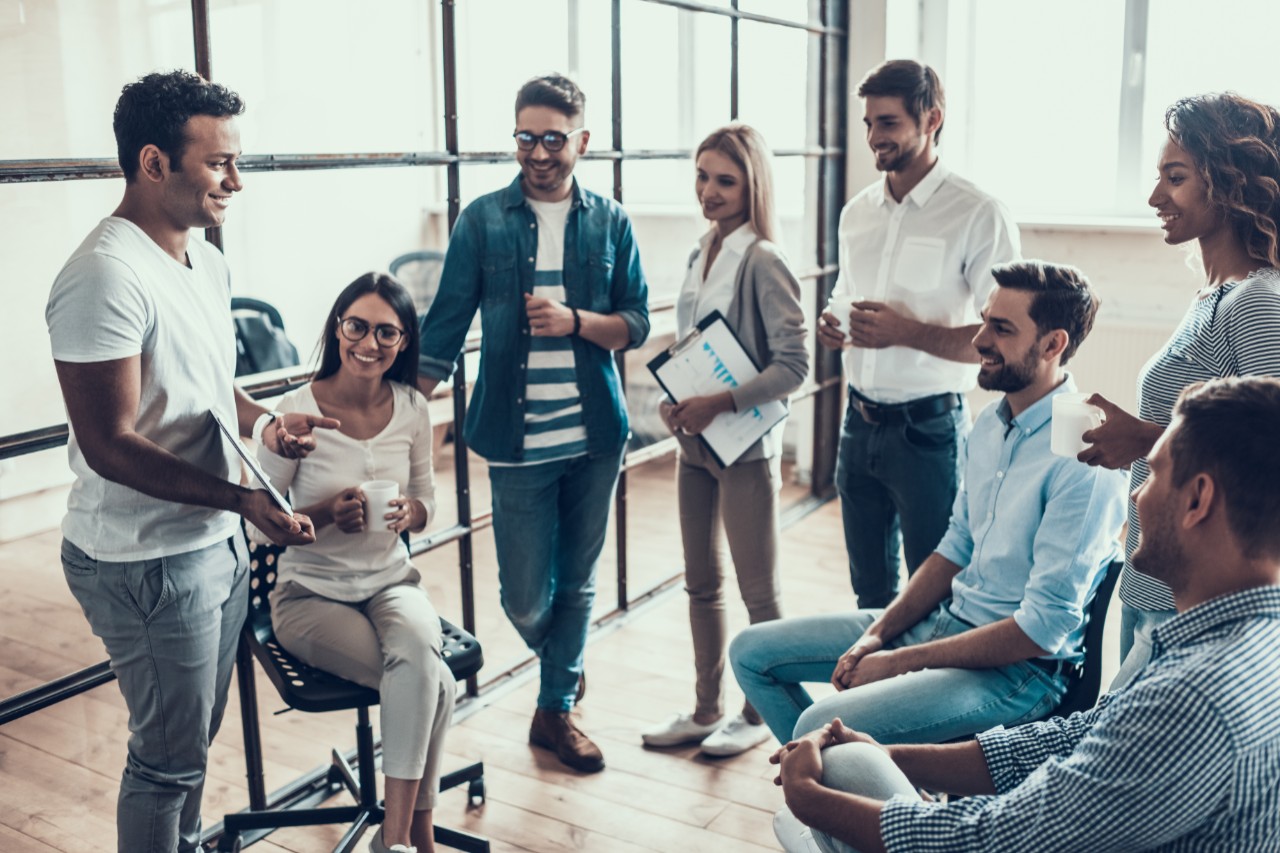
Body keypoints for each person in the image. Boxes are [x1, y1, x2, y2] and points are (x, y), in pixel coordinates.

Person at [772, 376, 1280, 853]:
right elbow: (1081, 736)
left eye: (1154, 473)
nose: (1138, 493)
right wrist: (890, 753)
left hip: (1016, 709)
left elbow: (993, 841)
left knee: (827, 788)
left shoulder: (1193, 698)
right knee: (852, 763)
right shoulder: (1228, 639)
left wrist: (811, 798)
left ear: (1197, 500)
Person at [44, 71, 336, 853]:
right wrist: (241, 501)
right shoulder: (103, 275)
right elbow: (108, 445)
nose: (236, 182)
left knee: (188, 751)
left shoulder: (204, 259)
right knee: (166, 761)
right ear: (152, 163)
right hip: (144, 561)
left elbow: (208, 388)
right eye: (219, 164)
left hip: (213, 543)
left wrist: (270, 423)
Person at [730, 260, 1127, 747]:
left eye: (1000, 329)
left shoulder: (1086, 450)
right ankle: (879, 782)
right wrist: (877, 633)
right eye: (984, 320)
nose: (979, 339)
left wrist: (898, 661)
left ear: (1053, 344)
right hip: (945, 625)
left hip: (1018, 673)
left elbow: (1042, 630)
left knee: (819, 729)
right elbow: (955, 546)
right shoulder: (989, 424)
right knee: (752, 652)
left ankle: (862, 787)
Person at [416, 73, 649, 773]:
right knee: (524, 594)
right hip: (515, 437)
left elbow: (634, 323)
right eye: (526, 136)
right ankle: (565, 664)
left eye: (553, 138)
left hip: (595, 436)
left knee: (577, 580)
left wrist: (574, 320)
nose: (538, 152)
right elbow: (444, 326)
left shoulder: (610, 221)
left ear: (582, 139)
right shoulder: (483, 220)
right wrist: (392, 416)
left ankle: (555, 709)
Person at [1078, 93, 1280, 690]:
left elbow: (1269, 451)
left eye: (1176, 177)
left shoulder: (1258, 302)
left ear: (1231, 184)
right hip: (1153, 575)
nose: (1154, 197)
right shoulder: (1211, 297)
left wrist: (1140, 438)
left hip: (1195, 594)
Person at [254, 274, 449, 853]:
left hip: (390, 581)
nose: (370, 342)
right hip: (309, 595)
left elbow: (427, 502)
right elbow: (254, 523)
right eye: (356, 326)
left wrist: (410, 511)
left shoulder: (413, 406)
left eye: (387, 332)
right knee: (432, 681)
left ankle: (397, 841)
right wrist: (320, 513)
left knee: (420, 660)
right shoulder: (294, 412)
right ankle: (415, 836)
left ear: (404, 340)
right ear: (337, 328)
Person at [820, 59, 1021, 607]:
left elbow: (1004, 338)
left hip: (929, 434)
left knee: (937, 594)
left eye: (886, 123)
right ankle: (871, 690)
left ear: (931, 119)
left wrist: (905, 332)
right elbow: (846, 289)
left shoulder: (979, 213)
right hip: (856, 425)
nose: (872, 138)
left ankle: (921, 691)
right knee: (869, 595)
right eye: (867, 123)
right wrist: (834, 323)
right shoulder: (856, 212)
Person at [638, 125, 808, 757]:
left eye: (725, 181)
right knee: (701, 582)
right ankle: (706, 707)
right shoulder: (700, 250)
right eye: (702, 177)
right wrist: (678, 399)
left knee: (757, 590)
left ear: (752, 185)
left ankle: (759, 712)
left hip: (744, 451)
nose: (709, 192)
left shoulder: (764, 259)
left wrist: (718, 403)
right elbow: (696, 346)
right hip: (695, 447)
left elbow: (794, 366)